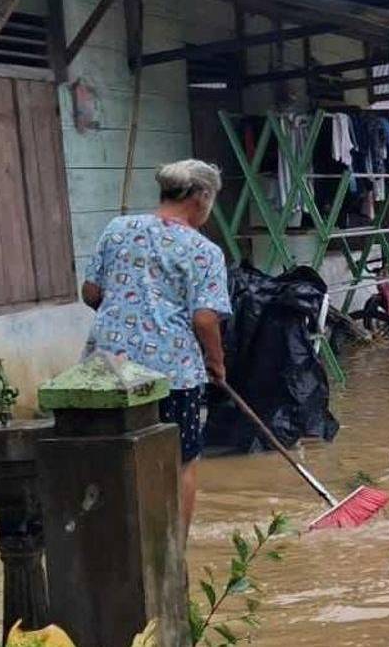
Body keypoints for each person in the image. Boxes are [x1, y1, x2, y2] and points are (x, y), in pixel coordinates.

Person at [81, 159, 232, 531]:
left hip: (106, 371)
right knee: (180, 462)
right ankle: (171, 556)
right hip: (174, 376)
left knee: (109, 459)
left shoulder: (117, 229)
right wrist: (216, 362)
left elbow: (91, 292)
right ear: (201, 197)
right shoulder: (204, 251)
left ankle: (112, 543)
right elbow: (204, 318)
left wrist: (123, 313)